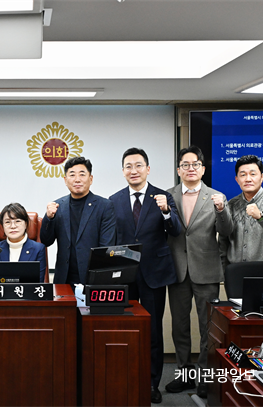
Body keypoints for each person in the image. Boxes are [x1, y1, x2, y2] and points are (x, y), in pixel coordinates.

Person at [108, 147, 181, 404]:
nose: (134, 171)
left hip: (154, 273)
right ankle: (125, 378)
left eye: (138, 165)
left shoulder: (163, 196)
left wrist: (166, 211)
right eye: (128, 166)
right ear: (123, 171)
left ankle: (152, 383)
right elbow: (110, 239)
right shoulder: (113, 200)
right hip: (124, 276)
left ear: (148, 169)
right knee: (124, 330)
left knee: (152, 331)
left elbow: (176, 230)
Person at [165, 146, 234, 399]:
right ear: (178, 170)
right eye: (185, 164)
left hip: (206, 270)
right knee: (180, 326)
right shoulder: (167, 196)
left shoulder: (216, 196)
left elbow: (226, 231)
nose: (190, 168)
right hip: (177, 270)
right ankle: (184, 374)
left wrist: (221, 210)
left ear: (203, 169)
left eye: (195, 164)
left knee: (208, 328)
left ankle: (206, 377)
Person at [40, 156, 116, 285]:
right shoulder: (58, 206)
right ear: (65, 180)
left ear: (90, 179)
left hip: (92, 278)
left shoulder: (104, 206)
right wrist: (49, 218)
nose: (77, 179)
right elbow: (46, 241)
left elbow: (106, 246)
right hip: (64, 278)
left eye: (82, 174)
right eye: (72, 175)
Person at [219, 155, 263, 267]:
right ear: (237, 179)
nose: (248, 179)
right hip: (237, 272)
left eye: (253, 174)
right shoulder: (231, 204)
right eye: (243, 175)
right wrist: (224, 272)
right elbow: (223, 241)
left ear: (262, 177)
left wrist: (261, 217)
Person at [0, 203, 47, 281]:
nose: (13, 226)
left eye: (18, 221)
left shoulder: (38, 249)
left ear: (26, 224)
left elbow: (39, 282)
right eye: (7, 222)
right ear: (2, 226)